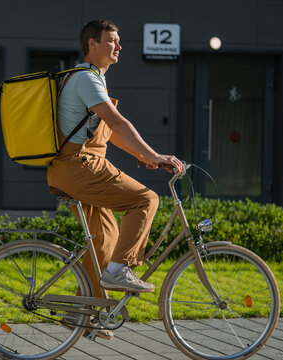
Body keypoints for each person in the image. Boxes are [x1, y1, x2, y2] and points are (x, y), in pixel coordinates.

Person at [47, 20, 184, 299]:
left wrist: (145, 156)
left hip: (71, 169)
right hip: (81, 165)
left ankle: (85, 314)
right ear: (92, 44)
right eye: (111, 40)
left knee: (104, 242)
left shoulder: (92, 77)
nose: (119, 46)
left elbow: (108, 134)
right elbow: (118, 122)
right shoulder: (86, 78)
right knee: (146, 200)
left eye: (118, 41)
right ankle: (119, 272)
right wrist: (155, 155)